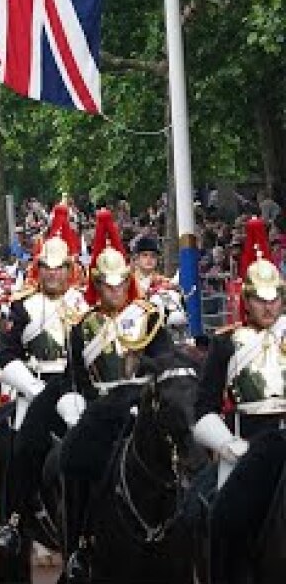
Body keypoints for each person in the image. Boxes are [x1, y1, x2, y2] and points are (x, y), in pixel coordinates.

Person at [58, 209, 174, 580]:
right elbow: (76, 378)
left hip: (143, 406)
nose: (116, 291)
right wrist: (79, 410)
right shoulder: (83, 326)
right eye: (108, 285)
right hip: (103, 410)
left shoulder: (149, 317)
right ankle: (79, 545)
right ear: (97, 284)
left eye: (121, 283)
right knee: (73, 459)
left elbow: (165, 363)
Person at [193, 216, 286, 584]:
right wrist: (228, 444)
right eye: (260, 300)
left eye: (275, 298)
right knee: (224, 517)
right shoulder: (226, 342)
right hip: (252, 446)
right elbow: (203, 410)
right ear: (246, 299)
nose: (269, 307)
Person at [0, 201, 88, 557]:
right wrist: (32, 388)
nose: (53, 275)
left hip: (76, 387)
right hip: (33, 387)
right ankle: (14, 520)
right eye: (47, 269)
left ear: (70, 269)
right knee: (23, 447)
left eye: (60, 269)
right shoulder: (22, 306)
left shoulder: (84, 303)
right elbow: (7, 355)